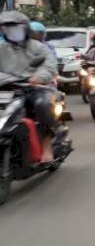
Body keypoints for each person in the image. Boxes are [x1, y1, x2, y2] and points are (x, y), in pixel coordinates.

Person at [0, 11, 58, 162]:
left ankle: (46, 144)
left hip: (35, 89)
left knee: (42, 104)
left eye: (14, 27)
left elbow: (49, 65)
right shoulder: (2, 49)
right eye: (7, 28)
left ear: (25, 28)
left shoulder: (39, 48)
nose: (11, 31)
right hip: (7, 90)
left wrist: (39, 77)